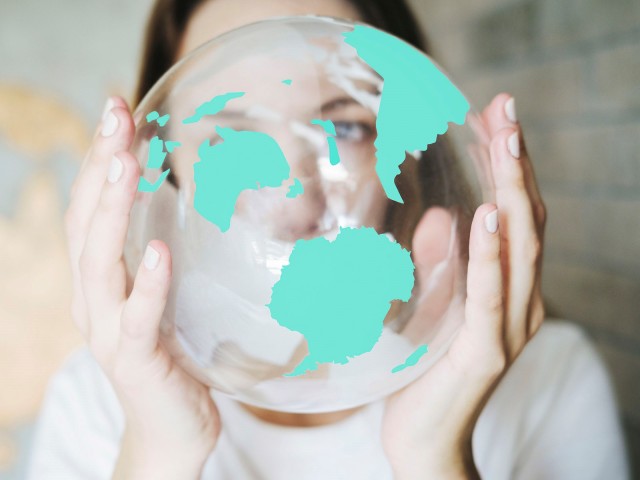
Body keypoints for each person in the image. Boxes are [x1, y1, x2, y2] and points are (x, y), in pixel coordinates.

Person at [26, 0, 630, 479]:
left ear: (410, 148)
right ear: (168, 170)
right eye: (230, 139)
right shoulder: (99, 403)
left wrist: (432, 457)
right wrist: (159, 457)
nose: (297, 199)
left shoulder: (548, 379)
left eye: (345, 124)